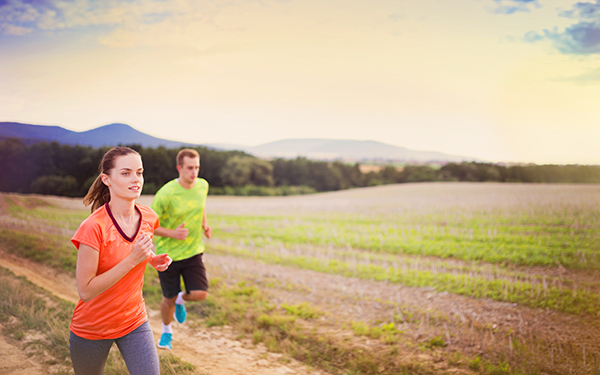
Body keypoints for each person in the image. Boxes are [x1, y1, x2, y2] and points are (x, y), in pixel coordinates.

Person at [69, 147, 172, 375]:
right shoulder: (93, 228)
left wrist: (151, 259)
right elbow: (85, 290)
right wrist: (132, 260)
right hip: (92, 328)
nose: (136, 179)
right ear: (107, 179)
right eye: (126, 173)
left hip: (134, 320)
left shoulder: (148, 217)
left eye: (139, 172)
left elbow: (131, 250)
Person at [152, 148, 212, 350]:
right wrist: (172, 233)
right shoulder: (166, 194)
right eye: (189, 168)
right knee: (166, 298)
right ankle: (166, 333)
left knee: (200, 294)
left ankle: (181, 299)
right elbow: (149, 225)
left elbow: (201, 205)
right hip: (168, 255)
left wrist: (204, 224)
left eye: (196, 167)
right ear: (179, 168)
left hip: (193, 250)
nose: (194, 172)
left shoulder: (202, 185)